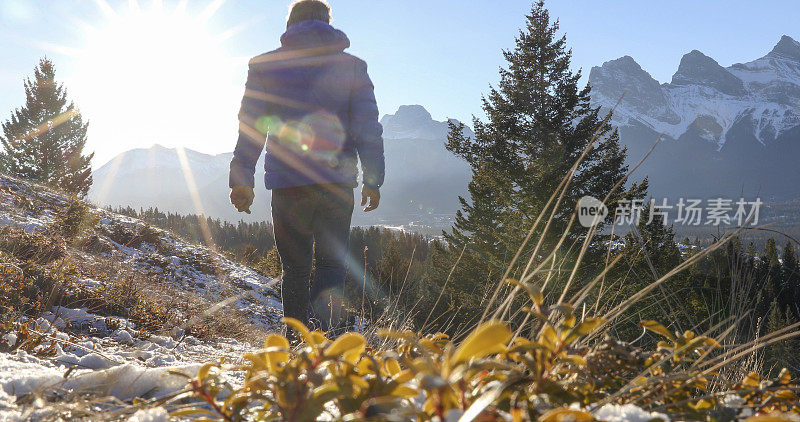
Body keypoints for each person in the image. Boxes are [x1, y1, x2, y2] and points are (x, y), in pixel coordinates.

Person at [229, 0, 385, 335]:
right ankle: (323, 346)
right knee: (332, 265)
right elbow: (367, 128)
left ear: (290, 24)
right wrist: (373, 178)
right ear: (328, 23)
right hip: (336, 184)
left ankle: (297, 348)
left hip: (288, 185)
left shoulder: (264, 65)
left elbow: (251, 125)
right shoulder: (354, 67)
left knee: (296, 271)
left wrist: (242, 177)